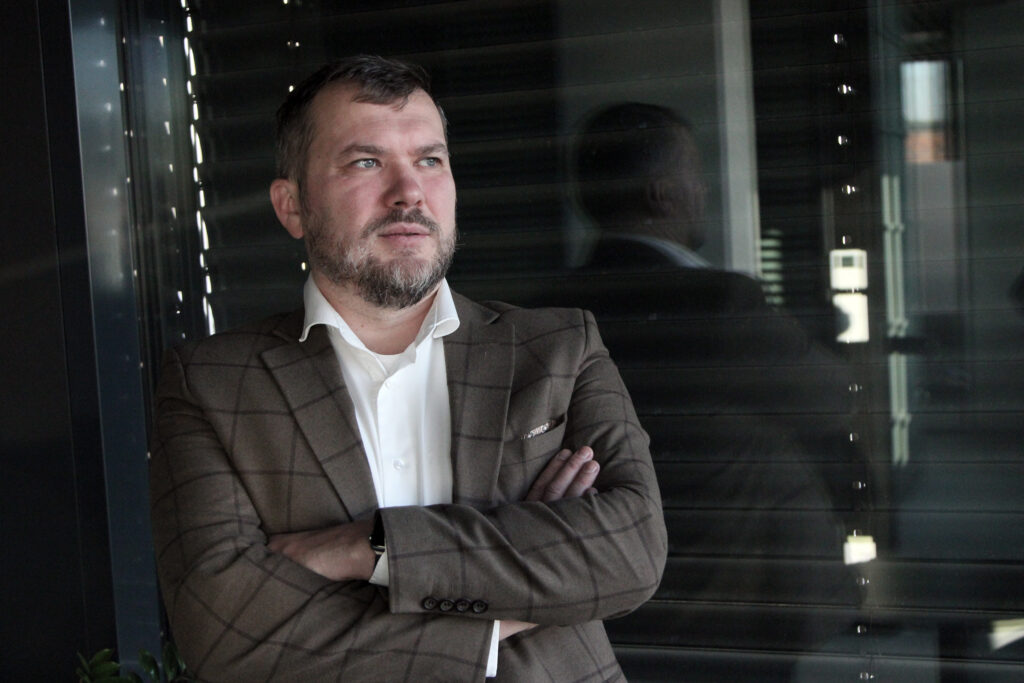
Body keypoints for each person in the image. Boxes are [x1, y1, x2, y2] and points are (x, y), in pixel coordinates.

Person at [148, 55, 666, 682]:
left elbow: (631, 553)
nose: (409, 192)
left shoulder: (559, 349)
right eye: (366, 162)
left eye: (430, 160)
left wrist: (365, 546)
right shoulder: (212, 384)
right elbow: (223, 633)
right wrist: (521, 596)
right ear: (292, 206)